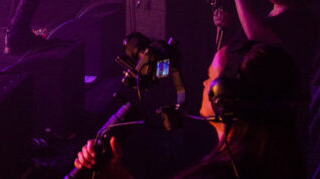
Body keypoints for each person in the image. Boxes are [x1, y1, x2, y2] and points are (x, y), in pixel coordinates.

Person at [73, 40, 305, 178]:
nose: (205, 84)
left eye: (210, 77)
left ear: (225, 97)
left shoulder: (220, 173)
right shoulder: (276, 159)